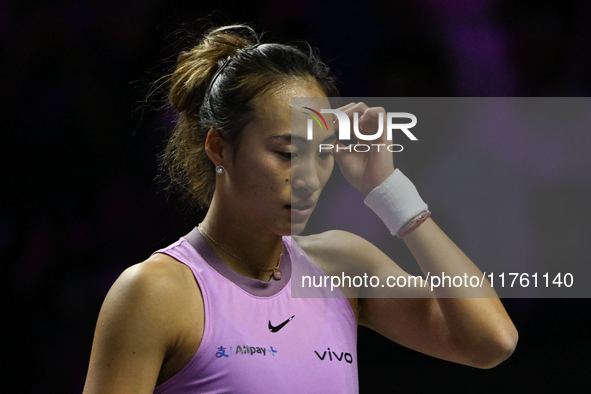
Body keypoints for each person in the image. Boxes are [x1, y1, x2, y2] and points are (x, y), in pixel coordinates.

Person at [83, 24, 518, 393]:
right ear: (219, 147)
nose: (309, 177)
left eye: (323, 152)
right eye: (288, 153)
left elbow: (491, 342)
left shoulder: (342, 264)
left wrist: (387, 190)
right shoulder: (155, 293)